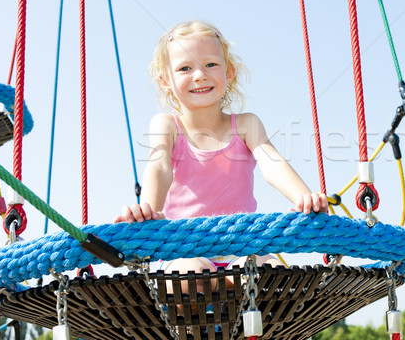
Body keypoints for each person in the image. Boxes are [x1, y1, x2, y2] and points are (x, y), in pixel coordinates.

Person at [113, 21, 328, 292]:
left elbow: (271, 162)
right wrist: (149, 209)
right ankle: (195, 323)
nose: (200, 75)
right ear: (166, 80)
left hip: (242, 246)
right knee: (188, 276)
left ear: (229, 72)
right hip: (184, 248)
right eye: (185, 68)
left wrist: (304, 197)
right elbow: (159, 167)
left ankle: (247, 323)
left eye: (210, 65)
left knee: (273, 275)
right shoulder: (167, 125)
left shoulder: (246, 125)